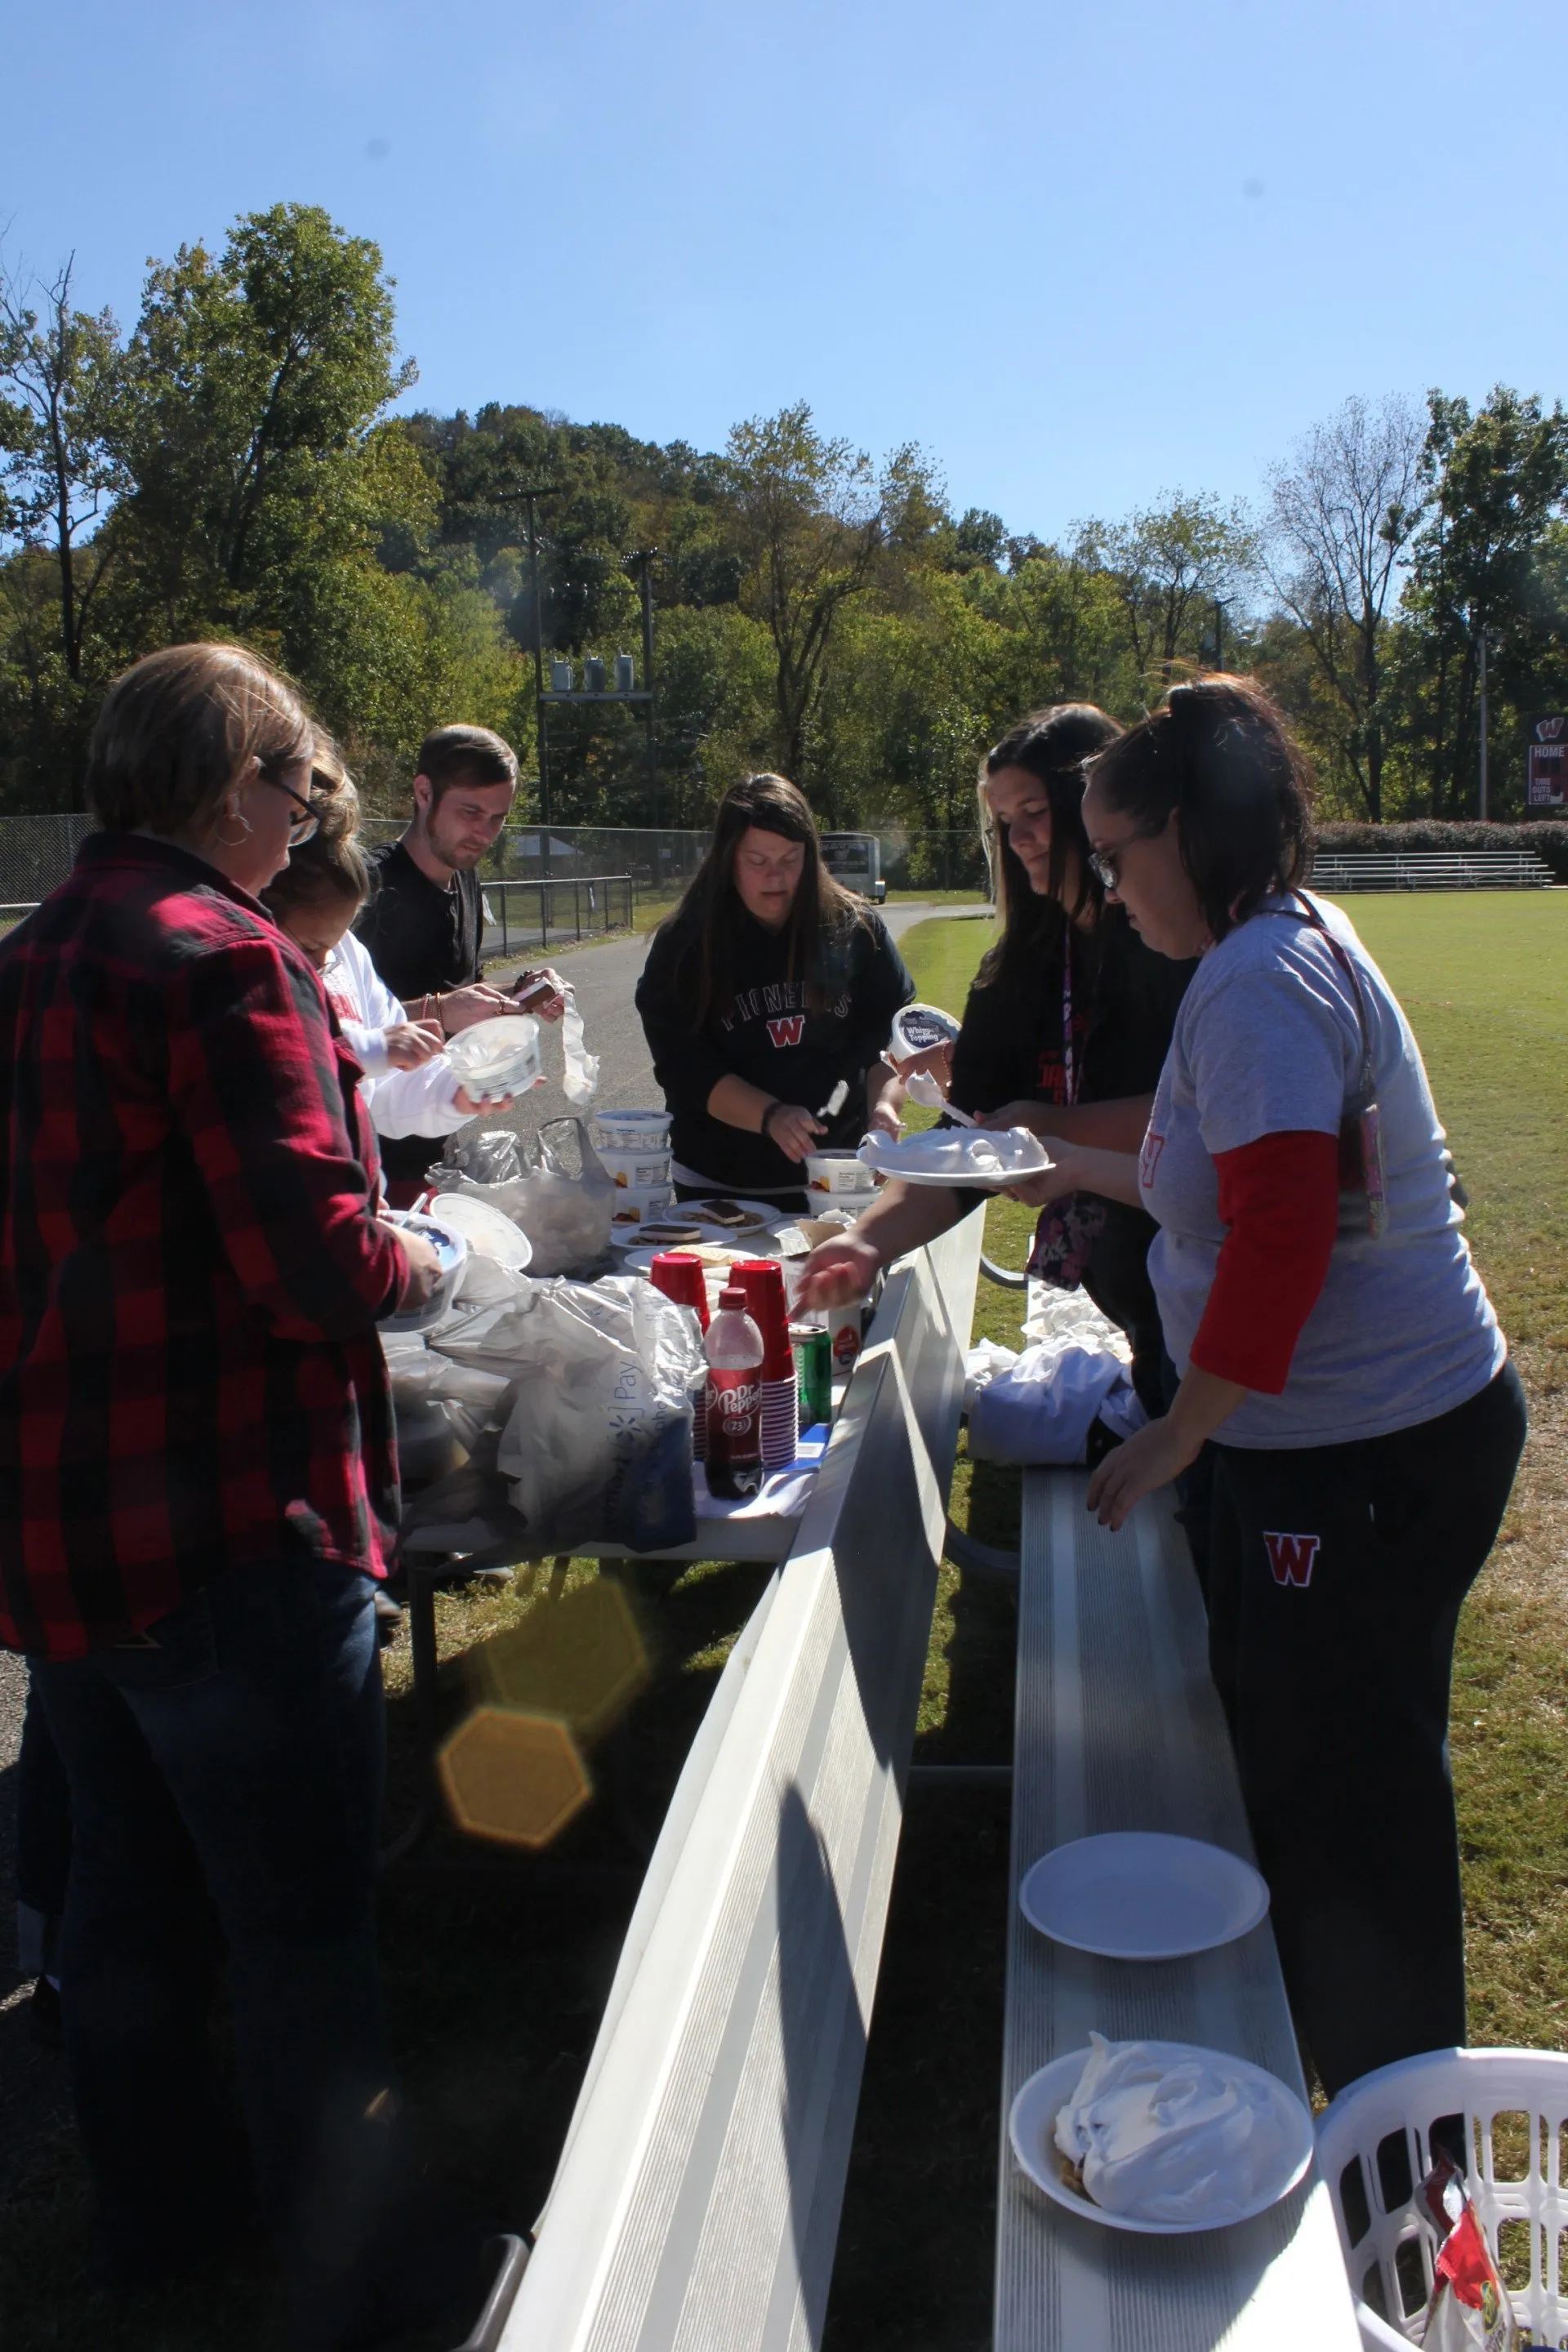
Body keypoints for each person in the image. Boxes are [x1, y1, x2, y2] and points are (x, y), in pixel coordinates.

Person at [0, 644, 443, 2319]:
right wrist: (440, 1263)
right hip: (234, 1526)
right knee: (302, 1935)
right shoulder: (226, 959)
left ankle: (160, 2236)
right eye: (294, 783)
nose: (305, 812)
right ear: (225, 784)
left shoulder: (29, 956)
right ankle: (366, 2278)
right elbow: (319, 1268)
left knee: (122, 1910)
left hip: (66, 1528)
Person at [1017, 674, 1526, 2097]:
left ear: (1191, 831)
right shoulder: (1257, 955)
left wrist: (1187, 1430)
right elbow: (1219, 1191)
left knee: (1356, 1803)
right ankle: (1329, 2064)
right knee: (1305, 1753)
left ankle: (1397, 2147)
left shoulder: (1257, 984)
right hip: (1349, 1444)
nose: (1109, 889)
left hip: (1375, 1456)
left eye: (1118, 857)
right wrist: (1062, 1157)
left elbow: (1287, 1236)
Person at [797, 707, 1194, 1414]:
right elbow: (964, 1150)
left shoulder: (1169, 937)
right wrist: (864, 1244)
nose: (1020, 838)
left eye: (1036, 811)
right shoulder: (1016, 970)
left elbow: (1205, 1122)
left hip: (1214, 1293)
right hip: (1147, 1306)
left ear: (1093, 806)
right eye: (1005, 820)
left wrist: (1053, 1125)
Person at [635, 773, 913, 1209]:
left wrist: (885, 1109)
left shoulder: (853, 928)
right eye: (757, 861)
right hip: (720, 1185)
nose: (776, 877)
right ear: (727, 860)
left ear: (811, 856)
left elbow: (890, 1039)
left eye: (790, 859)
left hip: (837, 1177)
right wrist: (770, 1115)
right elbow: (683, 1066)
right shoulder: (687, 942)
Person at [352, 723, 564, 1197]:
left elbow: (462, 990)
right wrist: (441, 1009)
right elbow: (331, 1027)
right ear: (424, 791)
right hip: (367, 1159)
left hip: (435, 1142)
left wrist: (517, 997)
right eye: (471, 811)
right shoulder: (364, 889)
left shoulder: (466, 879)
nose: (484, 833)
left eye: (498, 818)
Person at [262, 784, 519, 1167]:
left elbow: (390, 1093)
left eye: (335, 942)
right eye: (311, 945)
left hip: (356, 1196)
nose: (324, 961)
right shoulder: (246, 970)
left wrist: (458, 1091)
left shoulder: (346, 953)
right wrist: (372, 1050)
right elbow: (274, 1073)